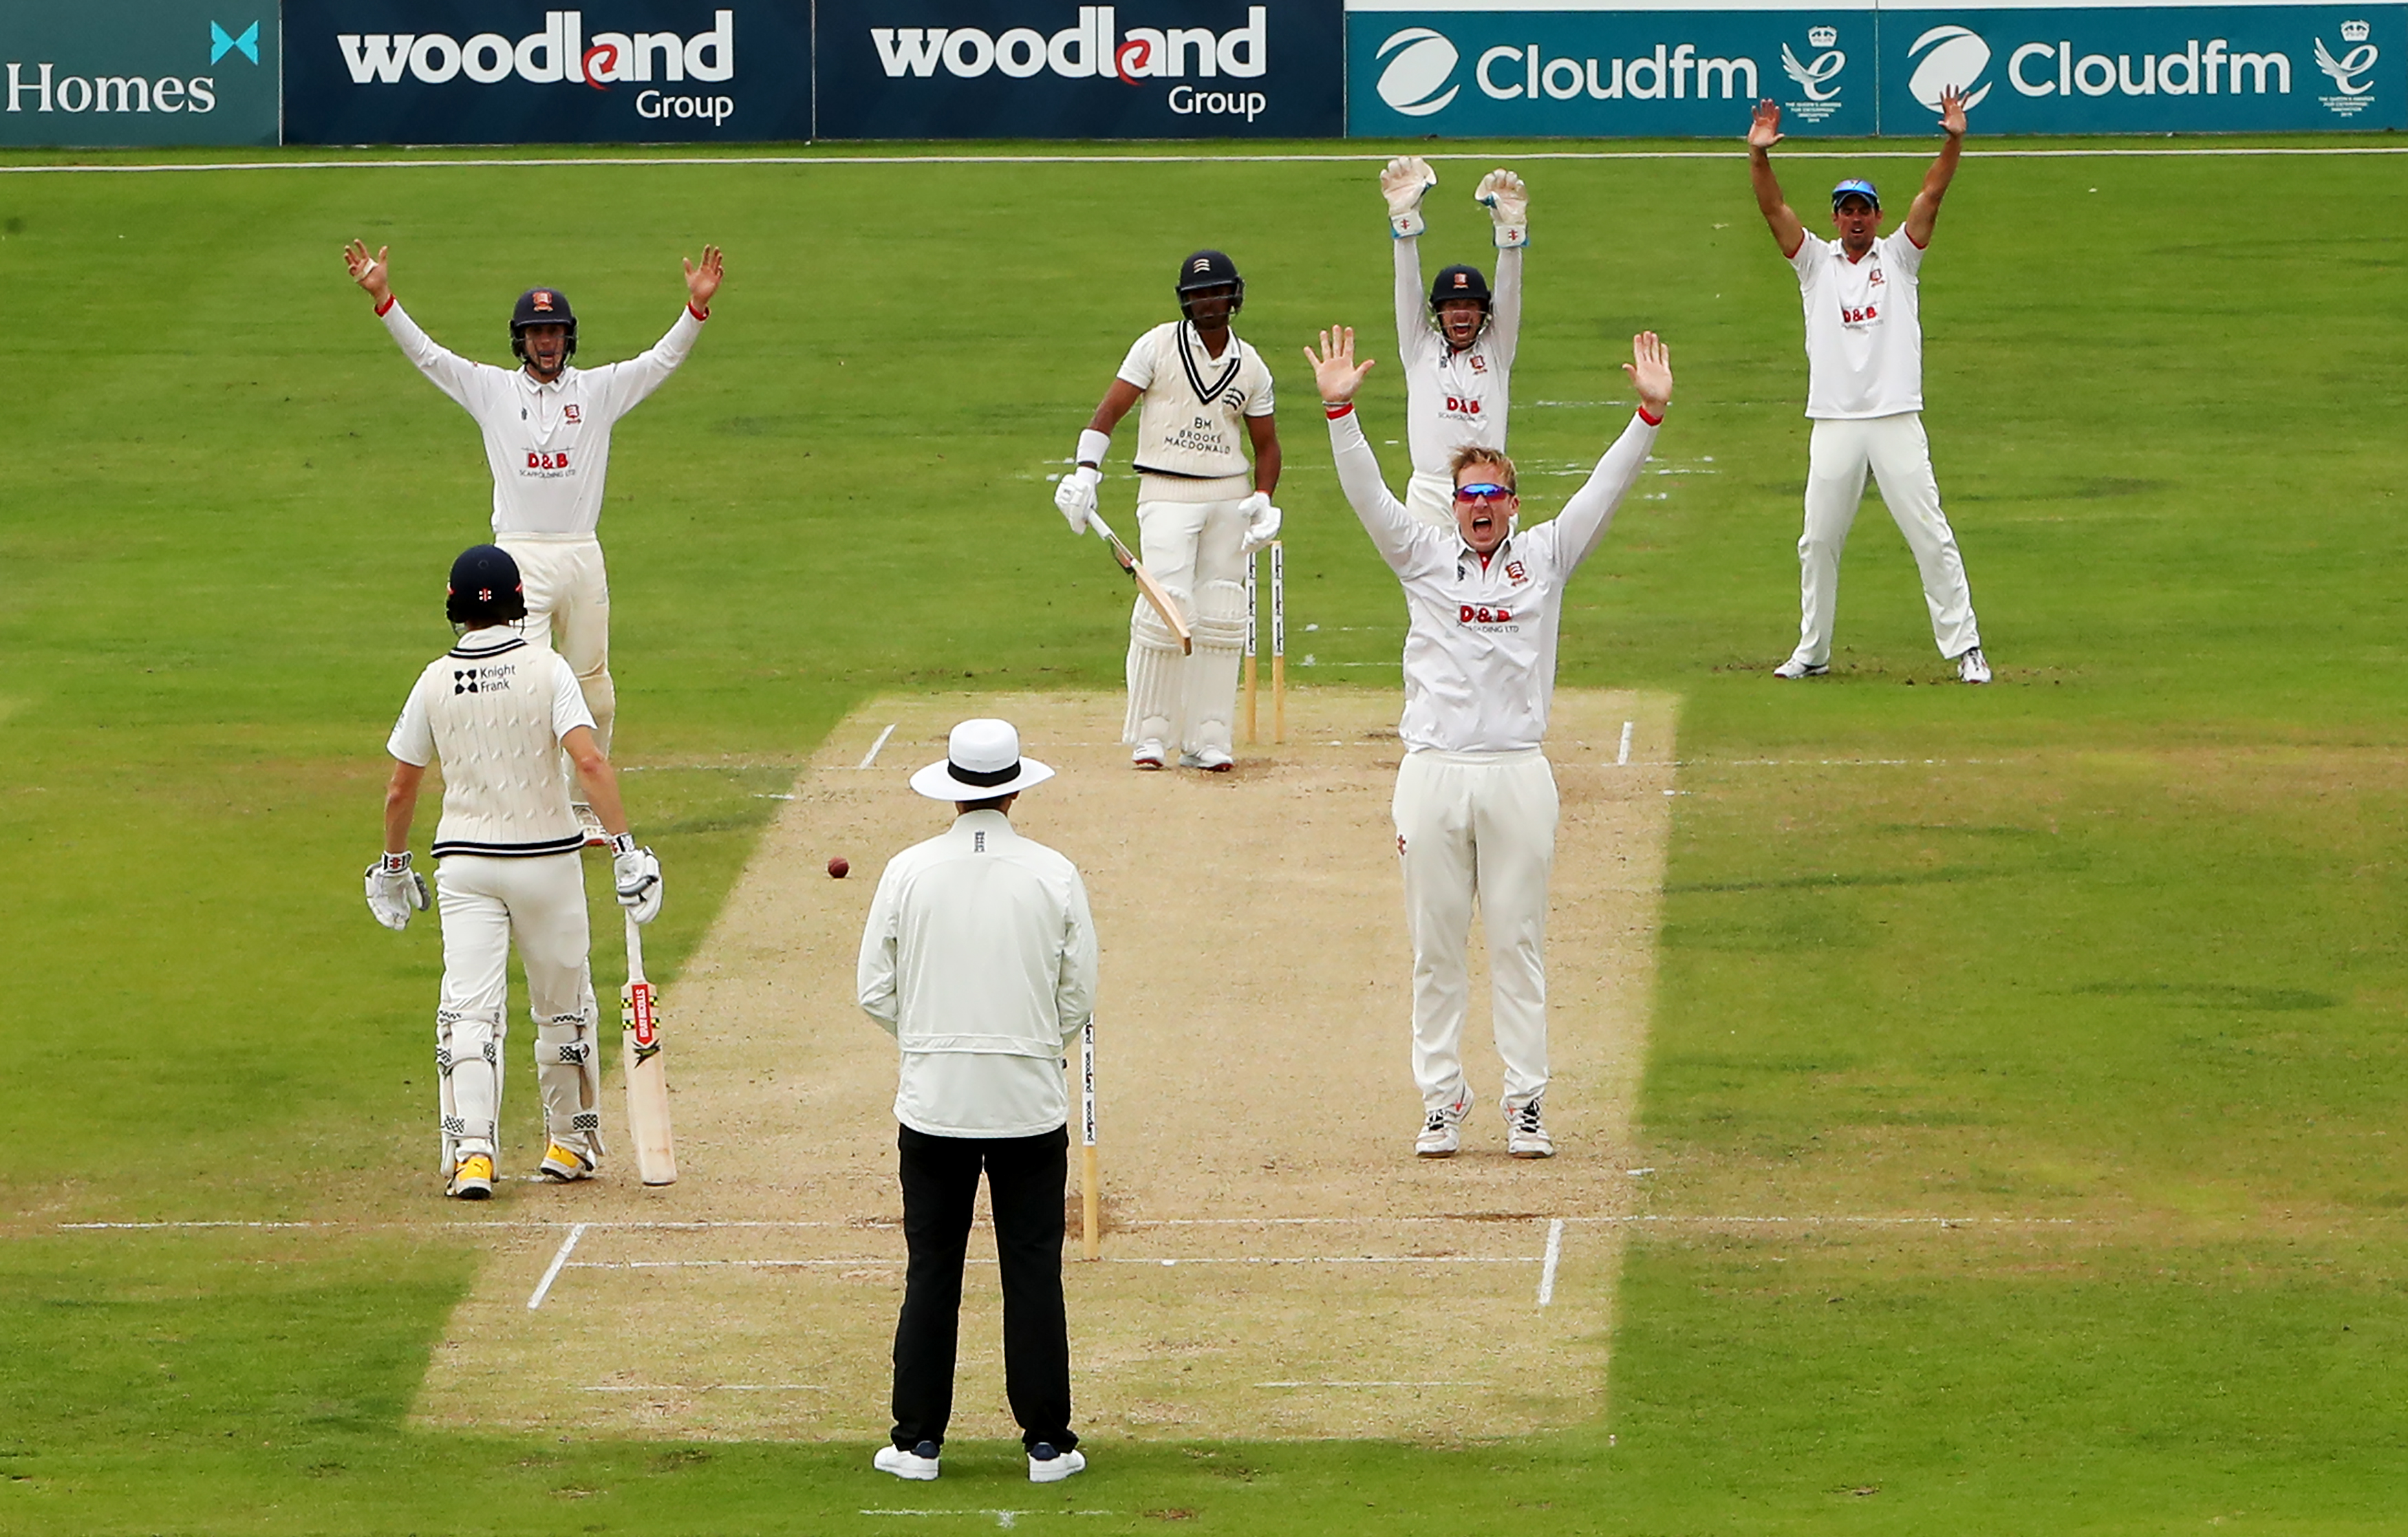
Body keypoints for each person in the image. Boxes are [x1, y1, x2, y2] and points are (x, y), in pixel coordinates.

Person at [1304, 324, 1673, 1159]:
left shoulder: (1544, 555)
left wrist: (1646, 418)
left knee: (1516, 942)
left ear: (1511, 503)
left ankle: (1525, 1103)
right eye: (1466, 495)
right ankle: (1441, 1100)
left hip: (1515, 771)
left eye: (1491, 497)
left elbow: (1601, 493)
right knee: (1435, 948)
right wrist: (1339, 411)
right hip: (1432, 771)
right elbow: (1366, 495)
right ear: (1454, 499)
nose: (1478, 508)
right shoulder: (1422, 556)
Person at [343, 237, 727, 837]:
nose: (544, 343)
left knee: (594, 690)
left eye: (553, 333)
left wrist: (695, 309)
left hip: (581, 553)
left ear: (567, 338)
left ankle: (580, 807)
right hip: (517, 557)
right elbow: (430, 358)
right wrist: (384, 297)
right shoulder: (493, 391)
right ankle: (535, 806)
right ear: (520, 339)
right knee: (526, 683)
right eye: (534, 334)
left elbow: (659, 362)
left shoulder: (597, 392)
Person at [368, 545, 663, 1198]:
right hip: (547, 862)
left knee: (469, 1012)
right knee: (564, 1010)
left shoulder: (434, 679)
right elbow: (589, 764)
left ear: (454, 606)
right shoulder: (549, 670)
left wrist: (394, 864)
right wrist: (626, 850)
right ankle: (570, 1143)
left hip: (466, 867)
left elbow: (400, 788)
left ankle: (473, 1155)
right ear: (518, 599)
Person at [857, 719, 1097, 1484]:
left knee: (932, 1268)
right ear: (1015, 786)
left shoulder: (907, 869)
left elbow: (874, 990)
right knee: (1032, 1269)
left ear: (955, 791)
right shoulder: (1054, 871)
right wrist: (1024, 1040)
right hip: (1029, 1101)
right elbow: (1076, 997)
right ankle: (1048, 1443)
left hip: (934, 1103)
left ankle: (916, 1441)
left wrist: (930, 1038)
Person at [1747, 92, 1990, 684]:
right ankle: (1813, 651)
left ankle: (1967, 649)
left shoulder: (1901, 258)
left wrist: (1953, 139)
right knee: (1817, 541)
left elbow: (1931, 194)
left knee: (1929, 533)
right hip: (1834, 421)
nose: (1856, 219)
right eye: (1846, 211)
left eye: (1864, 210)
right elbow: (1774, 209)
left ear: (1877, 217)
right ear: (1835, 218)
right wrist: (1758, 157)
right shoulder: (1814, 264)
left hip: (1895, 417)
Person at [1054, 250, 1282, 771]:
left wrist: (1265, 499)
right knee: (1166, 605)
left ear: (1233, 296)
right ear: (1186, 300)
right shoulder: (1156, 345)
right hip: (1165, 490)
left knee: (1223, 613)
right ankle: (1152, 734)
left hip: (1229, 494)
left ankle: (1209, 736)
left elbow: (1267, 446)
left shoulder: (1251, 365)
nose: (1208, 301)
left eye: (1216, 291)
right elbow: (1106, 415)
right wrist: (1086, 473)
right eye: (1198, 293)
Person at [1377, 157, 1529, 530]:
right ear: (1437, 314)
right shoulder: (1419, 349)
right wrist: (1404, 220)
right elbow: (1407, 288)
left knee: (1498, 589)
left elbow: (1510, 293)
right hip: (1429, 493)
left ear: (1484, 313)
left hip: (1488, 490)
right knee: (1428, 588)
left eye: (1470, 307)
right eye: (1452, 307)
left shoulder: (1497, 351)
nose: (1461, 316)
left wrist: (1511, 233)